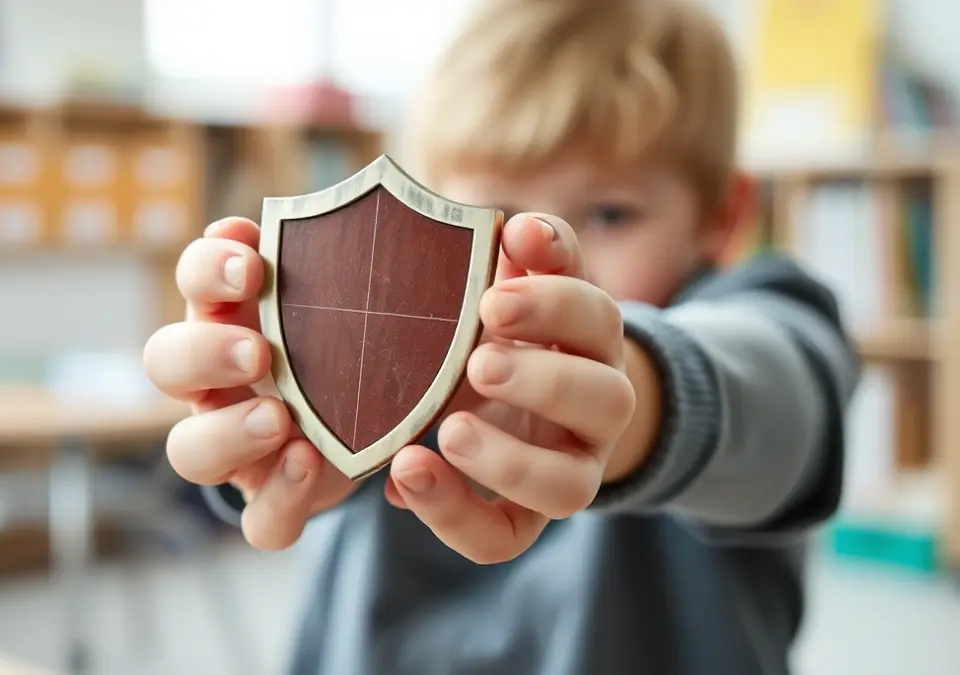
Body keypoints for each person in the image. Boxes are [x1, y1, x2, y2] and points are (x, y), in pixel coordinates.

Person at [143, 0, 859, 672]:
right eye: (487, 215)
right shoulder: (393, 337)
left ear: (721, 215)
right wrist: (267, 417)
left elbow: (779, 401)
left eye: (610, 214)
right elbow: (293, 467)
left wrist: (633, 391)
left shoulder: (761, 308)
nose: (535, 259)